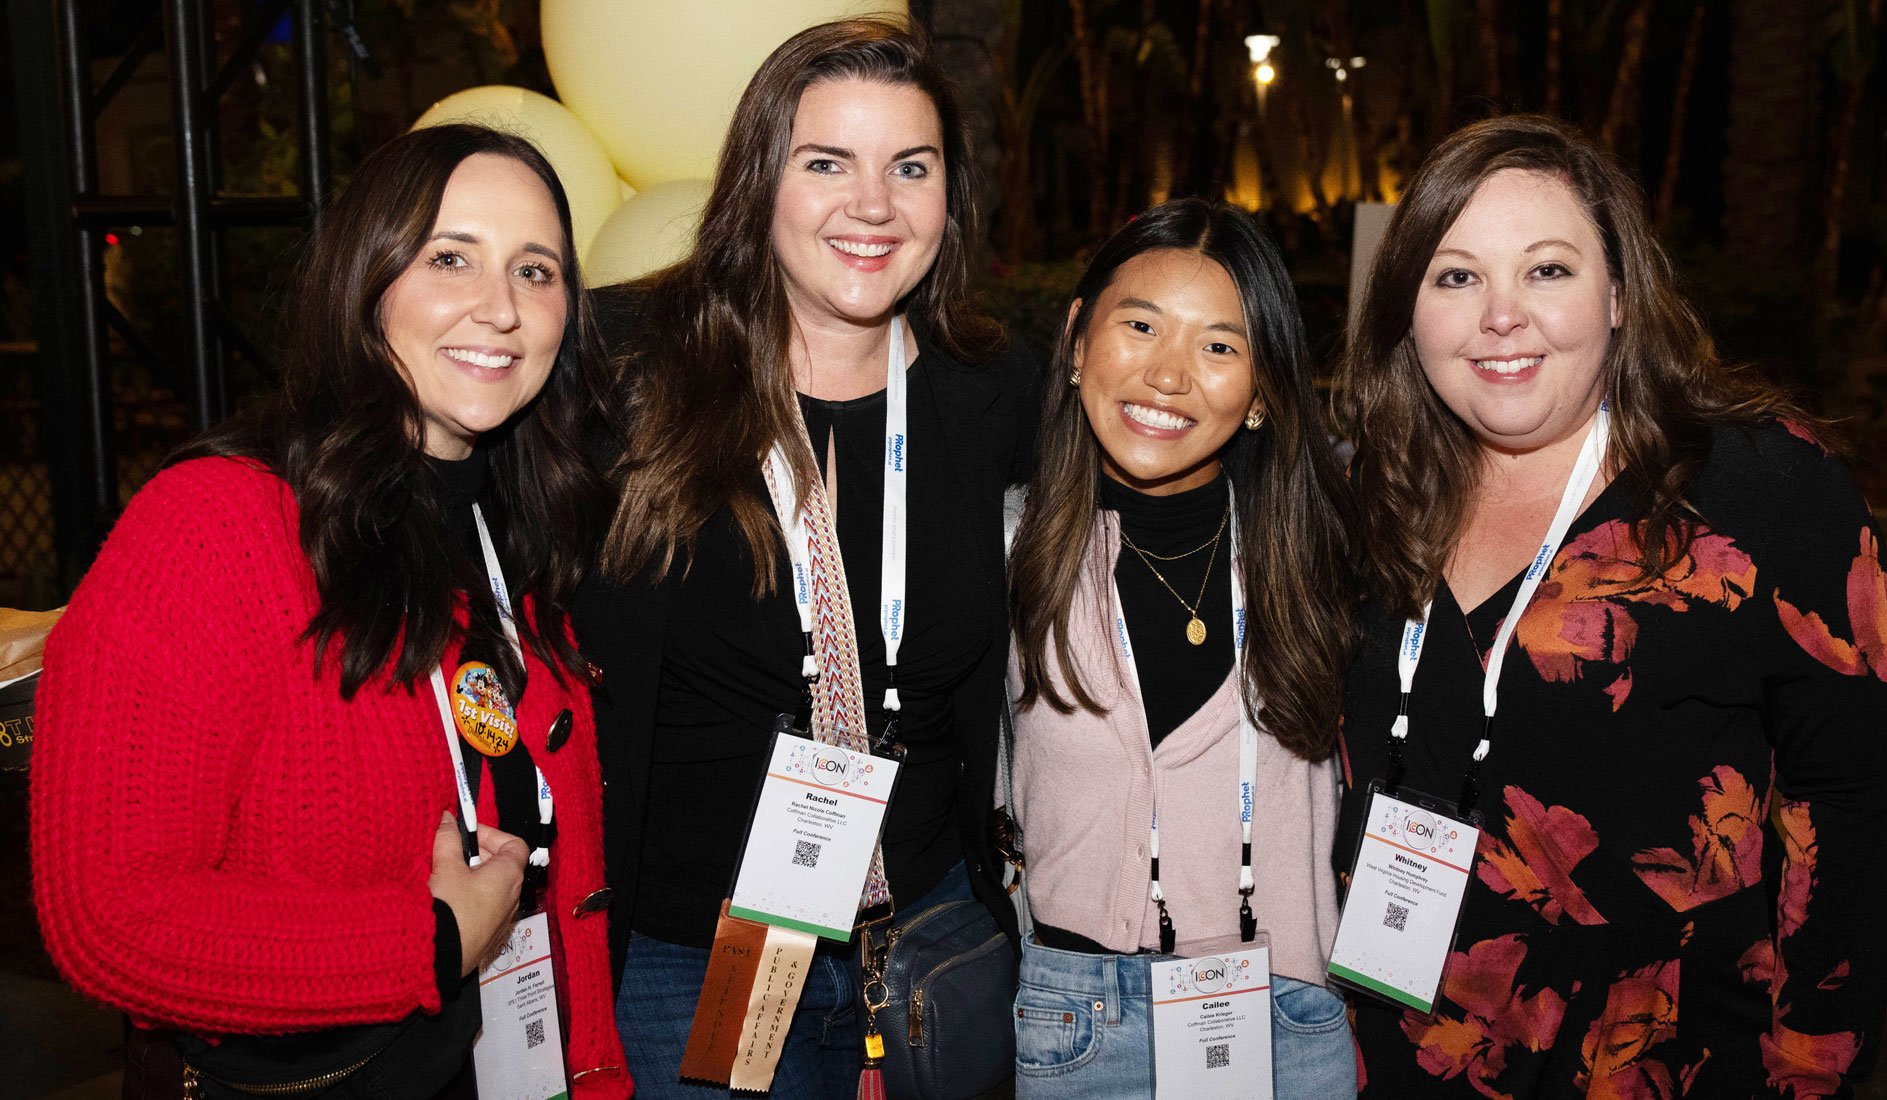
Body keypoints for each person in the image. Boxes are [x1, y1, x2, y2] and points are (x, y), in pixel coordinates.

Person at [30, 124, 630, 1099]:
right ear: (365, 282)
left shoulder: (523, 520)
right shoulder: (214, 528)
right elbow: (108, 917)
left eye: (536, 269)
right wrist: (425, 941)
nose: (501, 307)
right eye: (449, 258)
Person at [1334, 114, 1887, 1098]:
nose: (1500, 315)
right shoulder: (1368, 495)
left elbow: (1853, 805)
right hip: (1389, 1046)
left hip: (1655, 1063)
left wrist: (1811, 1063)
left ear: (1616, 293)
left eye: (1546, 269)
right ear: (1406, 310)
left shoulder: (1764, 494)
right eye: (1455, 275)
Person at [573, 19, 1038, 1098]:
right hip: (689, 956)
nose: (870, 205)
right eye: (824, 161)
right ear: (756, 181)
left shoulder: (993, 389)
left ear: (947, 196)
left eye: (908, 168)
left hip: (923, 931)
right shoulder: (620, 367)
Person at [1004, 198, 1360, 1098]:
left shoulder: (1327, 551)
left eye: (1219, 346)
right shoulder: (1004, 550)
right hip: (1072, 1020)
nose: (1168, 375)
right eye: (1140, 325)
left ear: (1262, 392)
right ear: (1080, 340)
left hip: (1282, 1014)